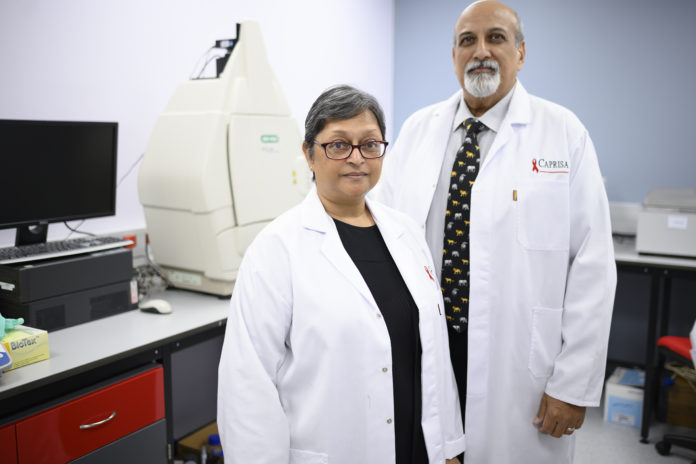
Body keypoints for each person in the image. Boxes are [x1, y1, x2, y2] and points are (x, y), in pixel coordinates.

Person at [375, 1, 617, 463]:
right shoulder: (418, 130)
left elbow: (593, 266)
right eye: (467, 40)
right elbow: (386, 234)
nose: (481, 51)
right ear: (453, 56)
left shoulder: (562, 133)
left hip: (521, 361)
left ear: (520, 53)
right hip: (431, 348)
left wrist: (573, 383)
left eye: (496, 38)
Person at [217, 85, 465, 464]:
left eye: (370, 144)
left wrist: (447, 448)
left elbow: (433, 353)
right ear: (309, 154)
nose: (357, 158)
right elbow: (247, 385)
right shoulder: (276, 249)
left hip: (416, 448)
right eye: (338, 145)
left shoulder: (407, 233)